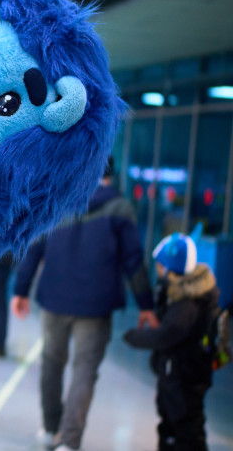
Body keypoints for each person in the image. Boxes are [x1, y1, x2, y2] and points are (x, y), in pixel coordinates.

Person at [10, 158, 158, 451]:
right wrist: (146, 305)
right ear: (111, 174)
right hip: (96, 305)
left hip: (54, 299)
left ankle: (51, 430)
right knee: (85, 370)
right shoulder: (120, 208)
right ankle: (69, 441)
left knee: (52, 364)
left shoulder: (58, 201)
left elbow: (34, 246)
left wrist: (20, 289)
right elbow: (133, 261)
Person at [123, 231, 219, 451]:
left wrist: (134, 337)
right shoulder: (177, 293)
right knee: (169, 427)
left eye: (160, 266)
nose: (157, 270)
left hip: (185, 377)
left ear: (170, 269)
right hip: (174, 375)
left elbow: (168, 333)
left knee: (186, 430)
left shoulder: (187, 303)